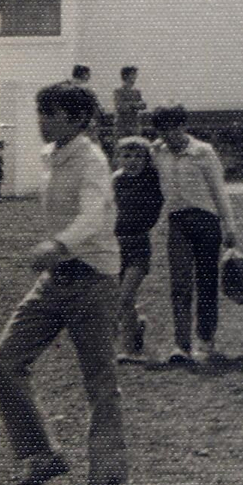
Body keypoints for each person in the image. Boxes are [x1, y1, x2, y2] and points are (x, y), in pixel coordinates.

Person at [0, 82, 130, 485]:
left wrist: (60, 245)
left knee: (100, 383)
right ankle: (41, 457)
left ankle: (109, 481)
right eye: (40, 112)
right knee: (4, 361)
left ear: (74, 118)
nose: (40, 121)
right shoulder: (52, 156)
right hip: (55, 281)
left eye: (48, 114)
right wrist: (57, 254)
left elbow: (93, 215)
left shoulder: (92, 161)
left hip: (92, 280)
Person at [149, 105, 240, 364]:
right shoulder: (158, 153)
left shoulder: (203, 152)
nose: (168, 135)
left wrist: (229, 226)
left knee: (206, 282)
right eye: (163, 130)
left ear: (182, 126)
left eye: (173, 128)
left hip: (206, 222)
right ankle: (181, 345)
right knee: (179, 284)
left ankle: (206, 340)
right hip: (177, 222)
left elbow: (219, 191)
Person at [111, 137, 162, 364]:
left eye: (138, 156)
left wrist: (154, 147)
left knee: (125, 296)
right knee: (123, 299)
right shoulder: (115, 181)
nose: (132, 161)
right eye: (127, 155)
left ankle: (129, 349)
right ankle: (136, 330)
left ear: (146, 158)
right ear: (118, 158)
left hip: (139, 244)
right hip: (116, 245)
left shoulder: (152, 179)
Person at [111, 67, 145, 144]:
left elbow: (143, 105)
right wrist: (135, 105)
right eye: (133, 75)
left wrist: (131, 105)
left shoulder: (137, 91)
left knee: (136, 146)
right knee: (121, 146)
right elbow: (120, 107)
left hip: (135, 124)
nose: (135, 77)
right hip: (122, 125)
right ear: (126, 76)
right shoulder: (119, 91)